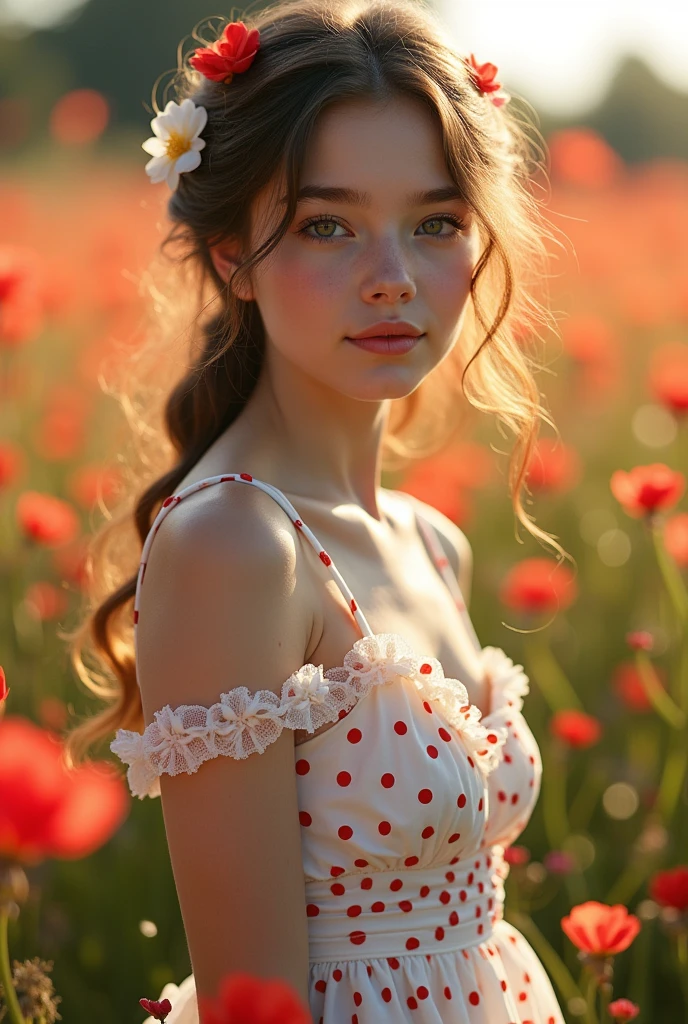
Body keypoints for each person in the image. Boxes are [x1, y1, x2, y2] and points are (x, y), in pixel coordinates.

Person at [63, 0, 572, 1020]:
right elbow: (257, 1000)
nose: (390, 279)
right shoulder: (235, 545)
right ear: (228, 259)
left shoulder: (432, 542)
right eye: (325, 225)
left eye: (435, 223)